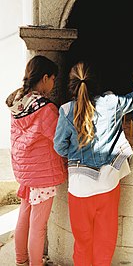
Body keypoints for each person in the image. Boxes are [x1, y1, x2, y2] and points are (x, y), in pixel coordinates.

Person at [53, 61, 133, 266]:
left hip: (80, 188)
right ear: (96, 83)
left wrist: (74, 152)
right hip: (107, 185)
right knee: (105, 242)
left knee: (82, 243)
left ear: (71, 85)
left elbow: (59, 147)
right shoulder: (112, 103)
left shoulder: (65, 111)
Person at [5, 55, 67, 266]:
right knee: (38, 225)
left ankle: (21, 260)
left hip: (25, 171)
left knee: (24, 214)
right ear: (45, 78)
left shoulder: (19, 103)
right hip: (42, 173)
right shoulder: (46, 109)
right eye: (53, 80)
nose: (53, 85)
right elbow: (60, 141)